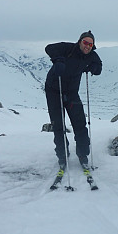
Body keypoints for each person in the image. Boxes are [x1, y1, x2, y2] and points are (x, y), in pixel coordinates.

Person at [44, 31, 102, 170]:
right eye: (85, 42)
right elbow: (49, 48)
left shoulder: (91, 55)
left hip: (72, 93)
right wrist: (58, 60)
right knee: (58, 125)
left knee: (80, 124)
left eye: (90, 44)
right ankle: (62, 156)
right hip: (54, 90)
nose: (87, 46)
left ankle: (83, 155)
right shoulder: (68, 48)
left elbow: (99, 66)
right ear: (80, 41)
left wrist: (95, 68)